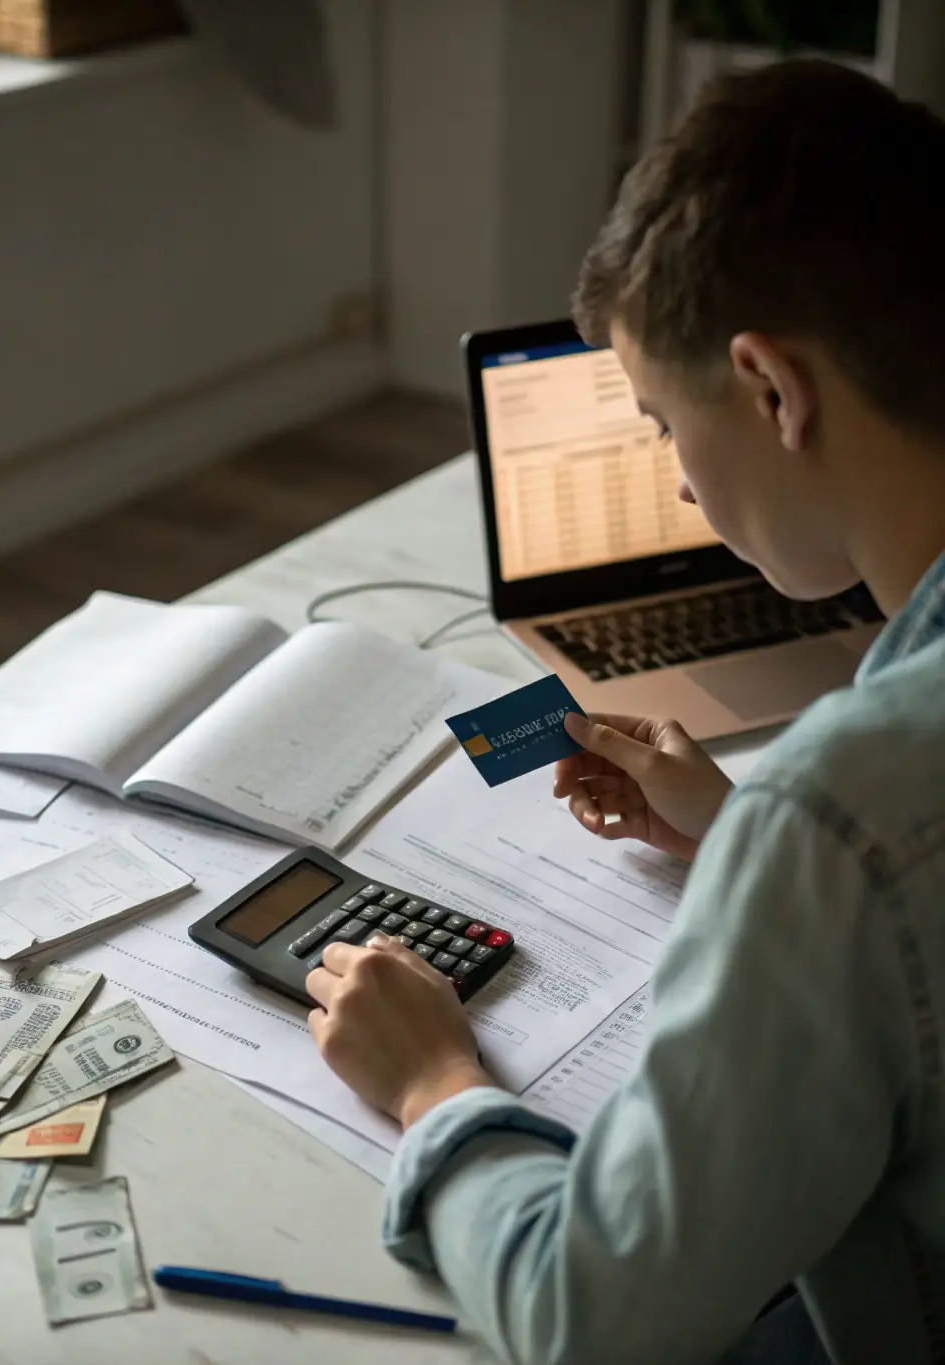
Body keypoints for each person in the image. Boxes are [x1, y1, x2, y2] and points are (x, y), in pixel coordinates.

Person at [305, 58, 945, 1364]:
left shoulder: (851, 796)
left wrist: (437, 1087)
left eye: (661, 423)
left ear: (773, 389)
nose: (680, 483)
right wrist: (738, 831)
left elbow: (593, 1324)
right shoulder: (852, 809)